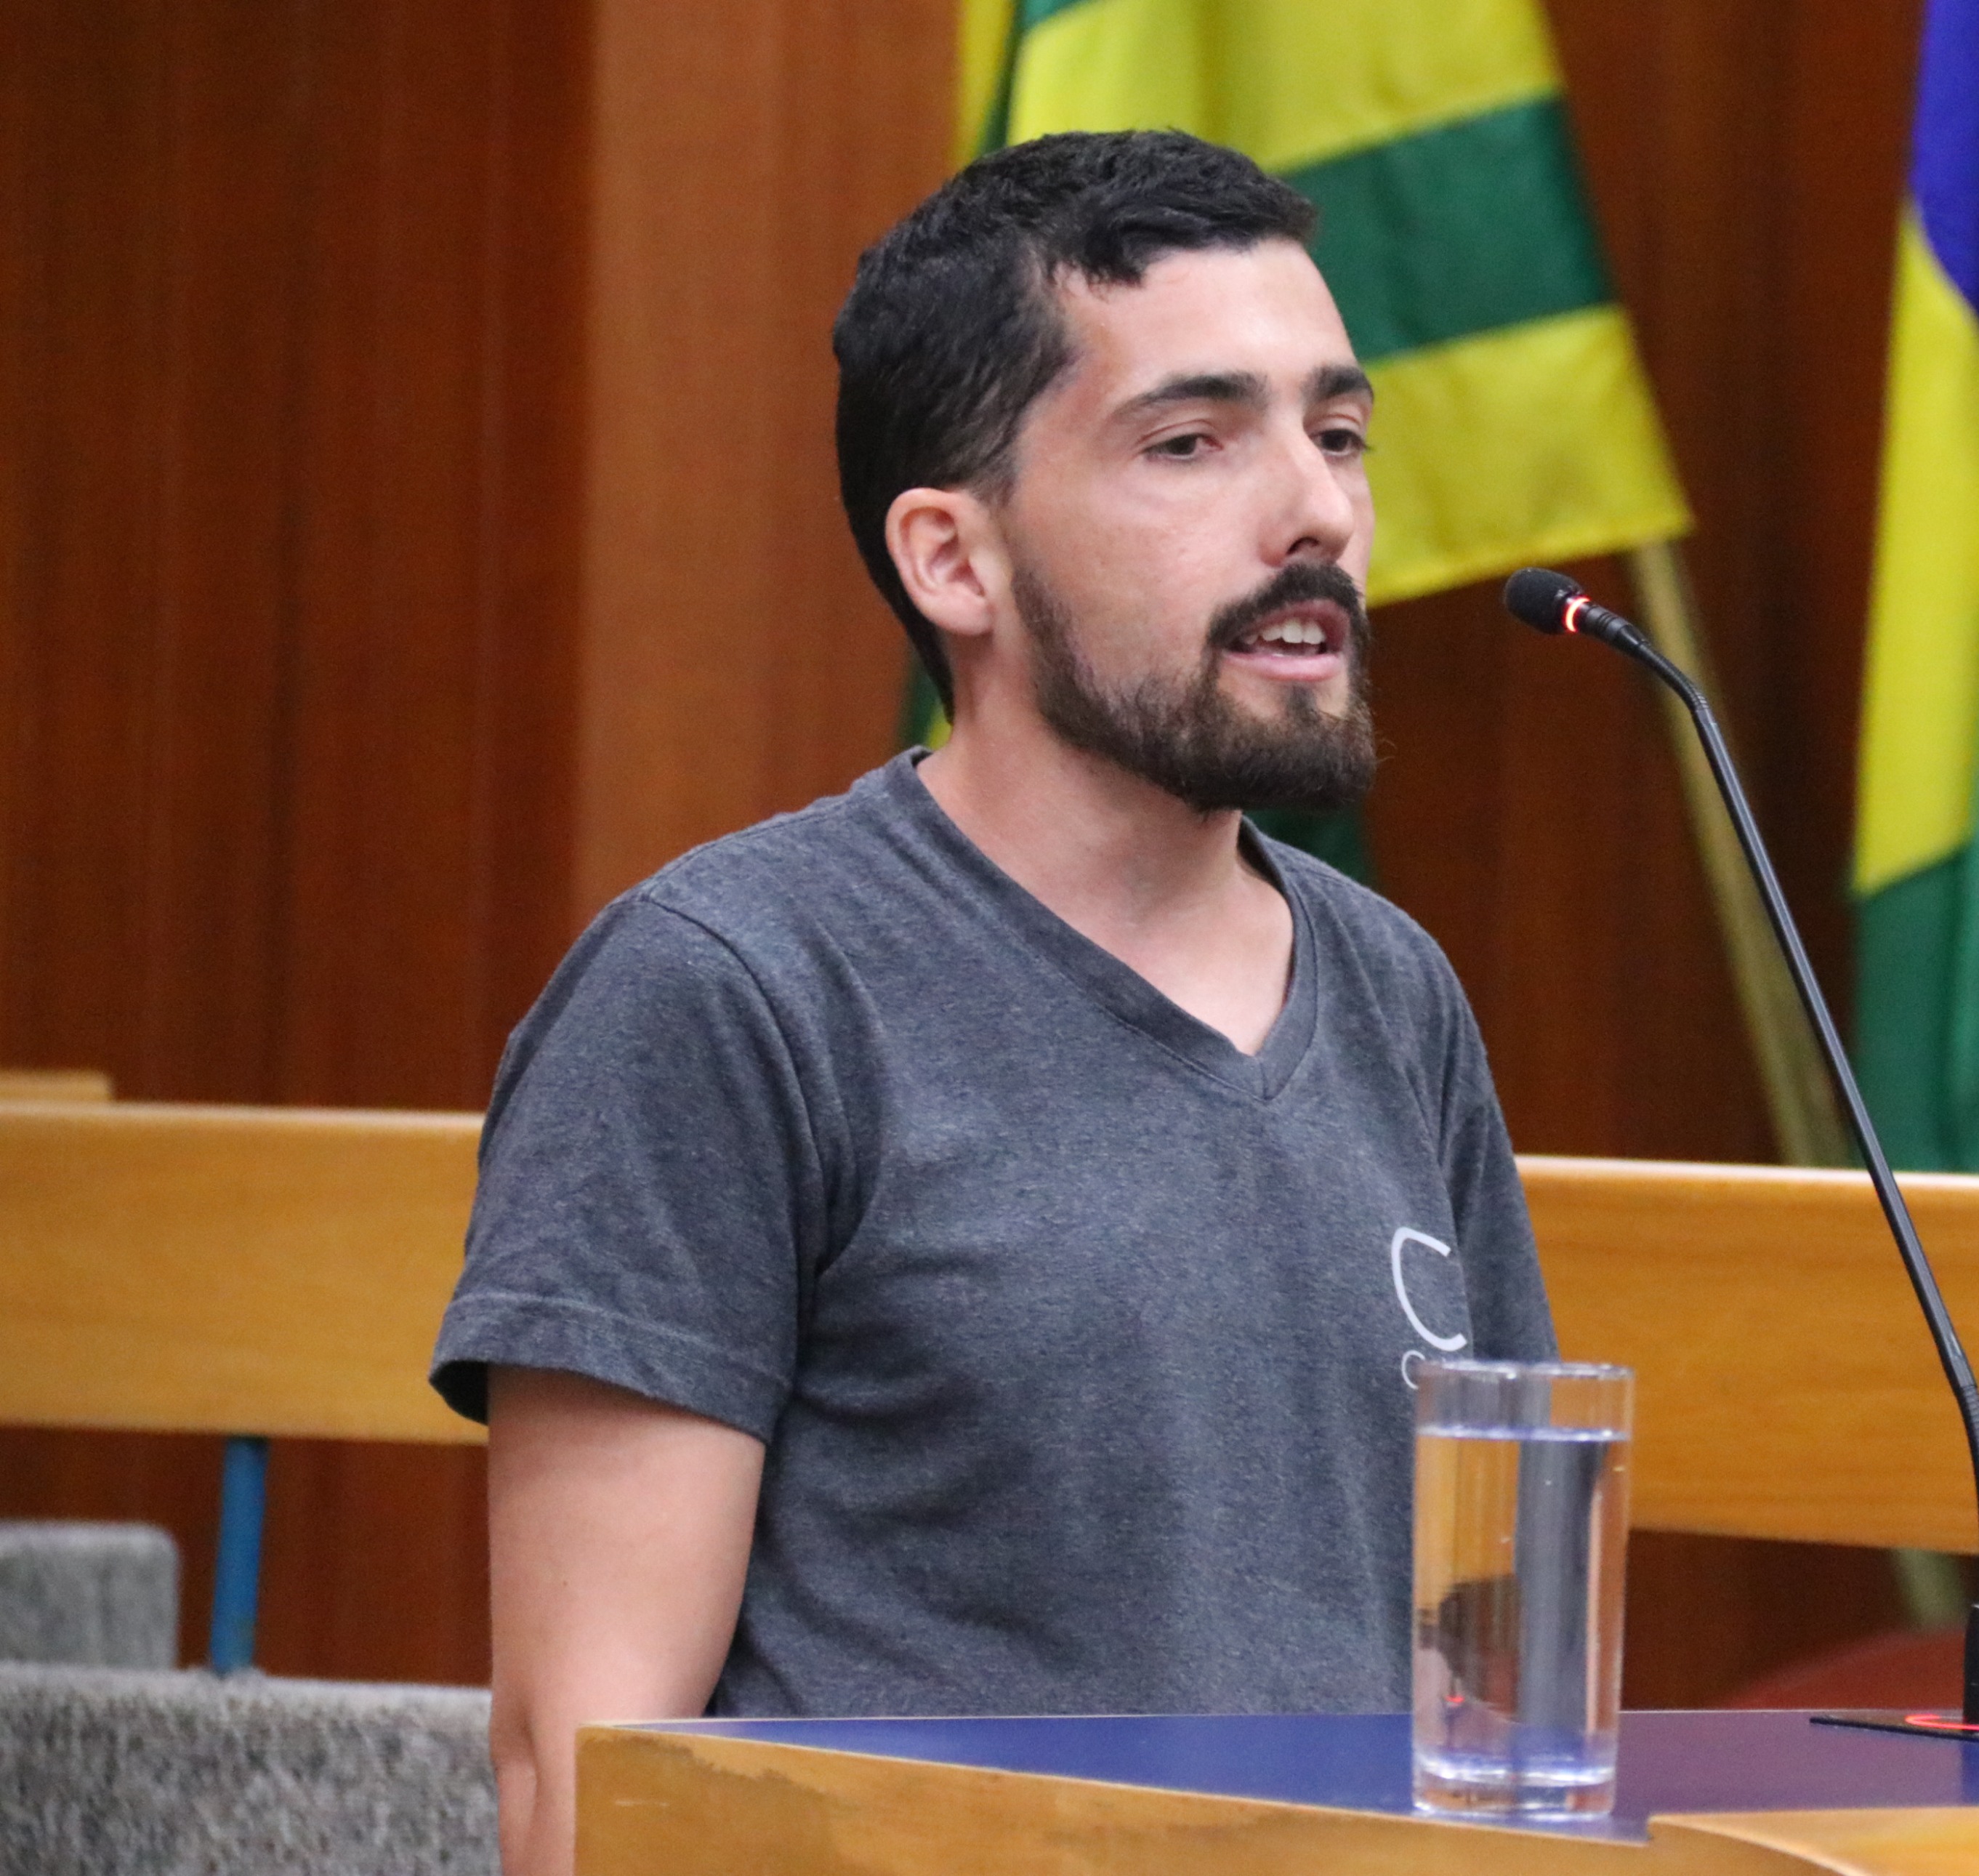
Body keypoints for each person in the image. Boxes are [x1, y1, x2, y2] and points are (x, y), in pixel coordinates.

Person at [430, 130, 1555, 1876]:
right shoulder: (726, 990)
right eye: (1191, 443)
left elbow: (1500, 1688)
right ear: (955, 560)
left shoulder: (1396, 992)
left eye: (1336, 435)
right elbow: (585, 1792)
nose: (1319, 512)